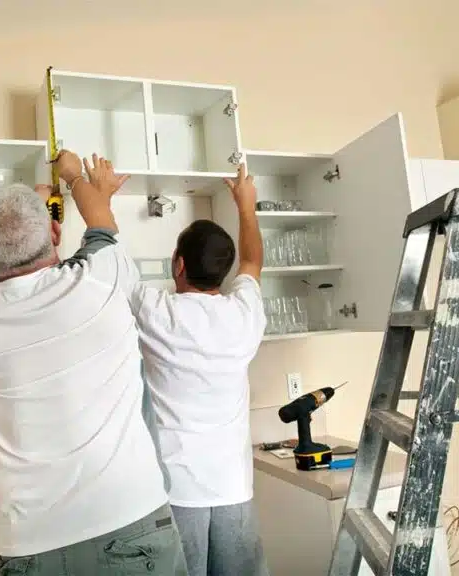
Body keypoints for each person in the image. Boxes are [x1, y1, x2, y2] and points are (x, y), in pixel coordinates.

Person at [0, 150, 188, 576]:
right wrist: (74, 175)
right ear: (56, 232)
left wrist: (34, 204)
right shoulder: (100, 280)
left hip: (30, 539)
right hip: (128, 515)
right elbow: (101, 223)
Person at [128, 164, 269, 576]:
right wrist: (246, 206)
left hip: (175, 490)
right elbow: (253, 260)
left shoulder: (157, 311)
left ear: (178, 264)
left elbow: (111, 269)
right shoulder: (244, 312)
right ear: (224, 273)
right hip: (234, 490)